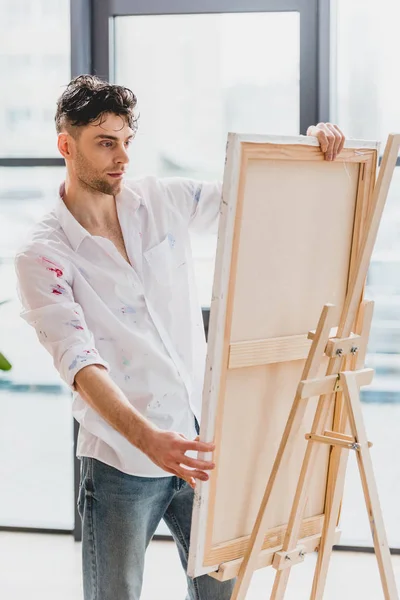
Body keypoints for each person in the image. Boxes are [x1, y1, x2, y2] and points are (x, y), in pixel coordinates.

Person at [15, 75, 345, 600]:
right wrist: (149, 440)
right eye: (104, 143)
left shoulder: (162, 200)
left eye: (126, 141)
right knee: (115, 594)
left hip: (200, 442)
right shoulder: (43, 255)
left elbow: (257, 195)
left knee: (223, 592)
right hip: (121, 460)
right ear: (65, 145)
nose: (121, 157)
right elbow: (79, 362)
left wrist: (309, 148)